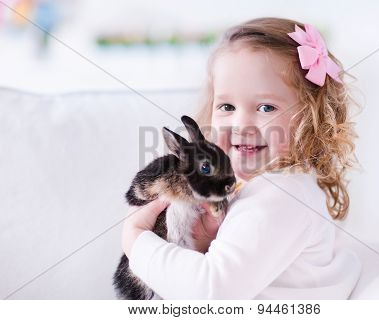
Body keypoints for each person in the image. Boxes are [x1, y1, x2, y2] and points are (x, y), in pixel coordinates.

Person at [121, 17, 362, 299]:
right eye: (227, 106)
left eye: (266, 107)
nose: (241, 124)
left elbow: (211, 292)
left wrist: (136, 239)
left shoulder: (282, 193)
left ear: (310, 118)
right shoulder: (256, 187)